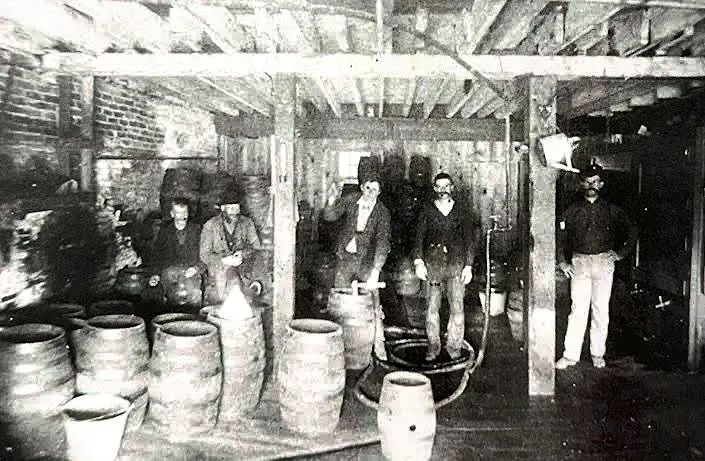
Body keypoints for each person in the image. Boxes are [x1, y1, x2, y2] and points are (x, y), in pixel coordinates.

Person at [555, 162, 637, 370]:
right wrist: (562, 261)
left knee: (600, 310)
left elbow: (631, 232)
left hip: (603, 262)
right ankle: (570, 355)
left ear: (601, 184)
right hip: (580, 263)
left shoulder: (612, 210)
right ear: (581, 184)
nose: (591, 185)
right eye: (587, 182)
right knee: (578, 309)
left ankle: (597, 354)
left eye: (595, 182)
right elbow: (559, 237)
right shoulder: (572, 210)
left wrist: (619, 254)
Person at [413, 172, 475, 361]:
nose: (443, 190)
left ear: (452, 188)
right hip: (433, 266)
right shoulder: (427, 211)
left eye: (446, 186)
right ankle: (433, 347)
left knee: (457, 308)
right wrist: (418, 262)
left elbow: (469, 240)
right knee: (432, 308)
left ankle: (454, 348)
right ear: (434, 189)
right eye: (439, 186)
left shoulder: (462, 211)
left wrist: (469, 266)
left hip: (456, 266)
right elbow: (418, 238)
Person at [322, 171, 391, 290]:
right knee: (341, 293)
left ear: (379, 192)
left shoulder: (382, 212)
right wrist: (332, 200)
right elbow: (329, 217)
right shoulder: (351, 200)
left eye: (374, 189)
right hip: (345, 257)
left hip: (367, 260)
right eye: (367, 188)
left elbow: (382, 242)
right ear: (362, 187)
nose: (370, 192)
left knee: (369, 295)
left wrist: (376, 270)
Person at [200, 188, 262, 304]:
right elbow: (204, 255)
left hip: (243, 271)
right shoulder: (210, 225)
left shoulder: (247, 223)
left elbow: (256, 248)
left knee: (246, 299)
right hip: (219, 273)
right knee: (223, 302)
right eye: (231, 208)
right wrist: (224, 260)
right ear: (223, 209)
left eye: (237, 208)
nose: (235, 213)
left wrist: (243, 253)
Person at [148, 198, 204, 287]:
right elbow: (158, 255)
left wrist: (196, 268)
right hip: (170, 274)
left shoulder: (197, 230)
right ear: (172, 214)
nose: (182, 216)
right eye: (178, 213)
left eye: (185, 212)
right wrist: (156, 274)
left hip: (192, 272)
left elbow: (205, 253)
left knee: (192, 292)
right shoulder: (165, 231)